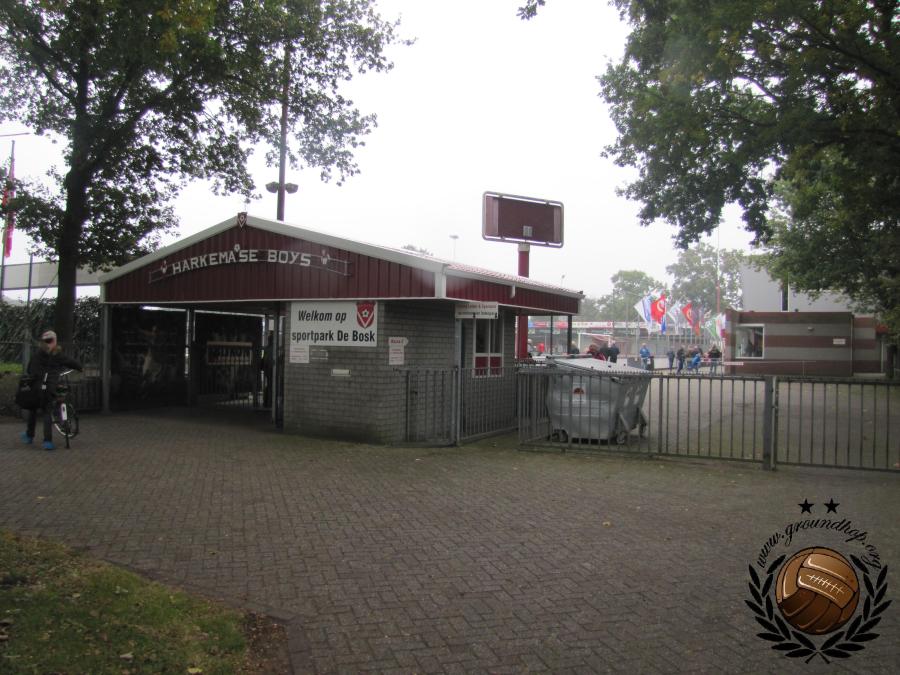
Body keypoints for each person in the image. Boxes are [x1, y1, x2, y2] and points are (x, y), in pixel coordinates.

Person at [21, 330, 83, 451]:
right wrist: (80, 368)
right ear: (55, 341)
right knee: (47, 412)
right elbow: (71, 362)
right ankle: (47, 442)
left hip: (36, 387)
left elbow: (29, 369)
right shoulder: (57, 355)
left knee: (33, 410)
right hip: (50, 387)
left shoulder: (37, 355)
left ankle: (29, 436)